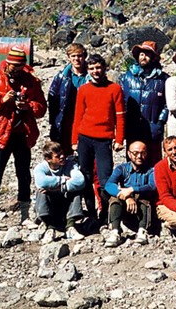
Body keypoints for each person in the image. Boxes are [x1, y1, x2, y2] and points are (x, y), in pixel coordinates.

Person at [0, 47, 47, 235]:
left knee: (23, 175)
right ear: (8, 62)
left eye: (21, 65)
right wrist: (1, 99)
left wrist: (28, 105)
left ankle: (25, 217)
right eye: (14, 65)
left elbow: (41, 108)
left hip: (23, 133)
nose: (17, 69)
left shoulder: (31, 81)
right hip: (1, 134)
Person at [72, 54, 125, 226]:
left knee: (105, 178)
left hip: (104, 139)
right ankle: (91, 212)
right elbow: (78, 116)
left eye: (98, 67)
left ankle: (107, 213)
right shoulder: (83, 90)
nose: (96, 71)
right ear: (88, 70)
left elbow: (120, 116)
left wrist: (119, 139)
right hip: (85, 137)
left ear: (104, 68)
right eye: (92, 68)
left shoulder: (114, 89)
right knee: (85, 176)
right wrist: (74, 140)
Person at [118, 41, 169, 165]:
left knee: (154, 164)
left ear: (154, 57)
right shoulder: (126, 77)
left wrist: (160, 122)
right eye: (141, 54)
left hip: (153, 129)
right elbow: (121, 102)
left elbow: (168, 104)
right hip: (132, 128)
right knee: (133, 162)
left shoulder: (164, 79)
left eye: (147, 54)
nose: (143, 57)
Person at [104, 141, 157, 247]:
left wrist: (132, 189)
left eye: (143, 153)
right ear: (128, 154)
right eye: (135, 153)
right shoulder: (122, 168)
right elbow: (109, 184)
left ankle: (142, 231)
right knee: (114, 198)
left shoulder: (151, 170)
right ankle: (115, 231)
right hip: (125, 205)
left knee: (144, 197)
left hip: (141, 206)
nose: (139, 156)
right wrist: (126, 196)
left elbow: (152, 186)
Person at [33, 141, 85, 244]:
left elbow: (80, 181)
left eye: (62, 153)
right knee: (42, 192)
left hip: (64, 200)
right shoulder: (41, 168)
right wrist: (61, 180)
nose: (62, 157)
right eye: (57, 156)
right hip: (51, 203)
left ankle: (70, 226)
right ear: (48, 159)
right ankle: (50, 227)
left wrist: (58, 188)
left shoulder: (70, 164)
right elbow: (41, 182)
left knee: (76, 190)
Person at [48, 43, 90, 156]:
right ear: (68, 57)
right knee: (63, 150)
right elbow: (52, 99)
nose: (77, 59)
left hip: (85, 117)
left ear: (84, 56)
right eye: (73, 56)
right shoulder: (61, 77)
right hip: (66, 117)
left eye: (80, 56)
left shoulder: (92, 75)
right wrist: (53, 122)